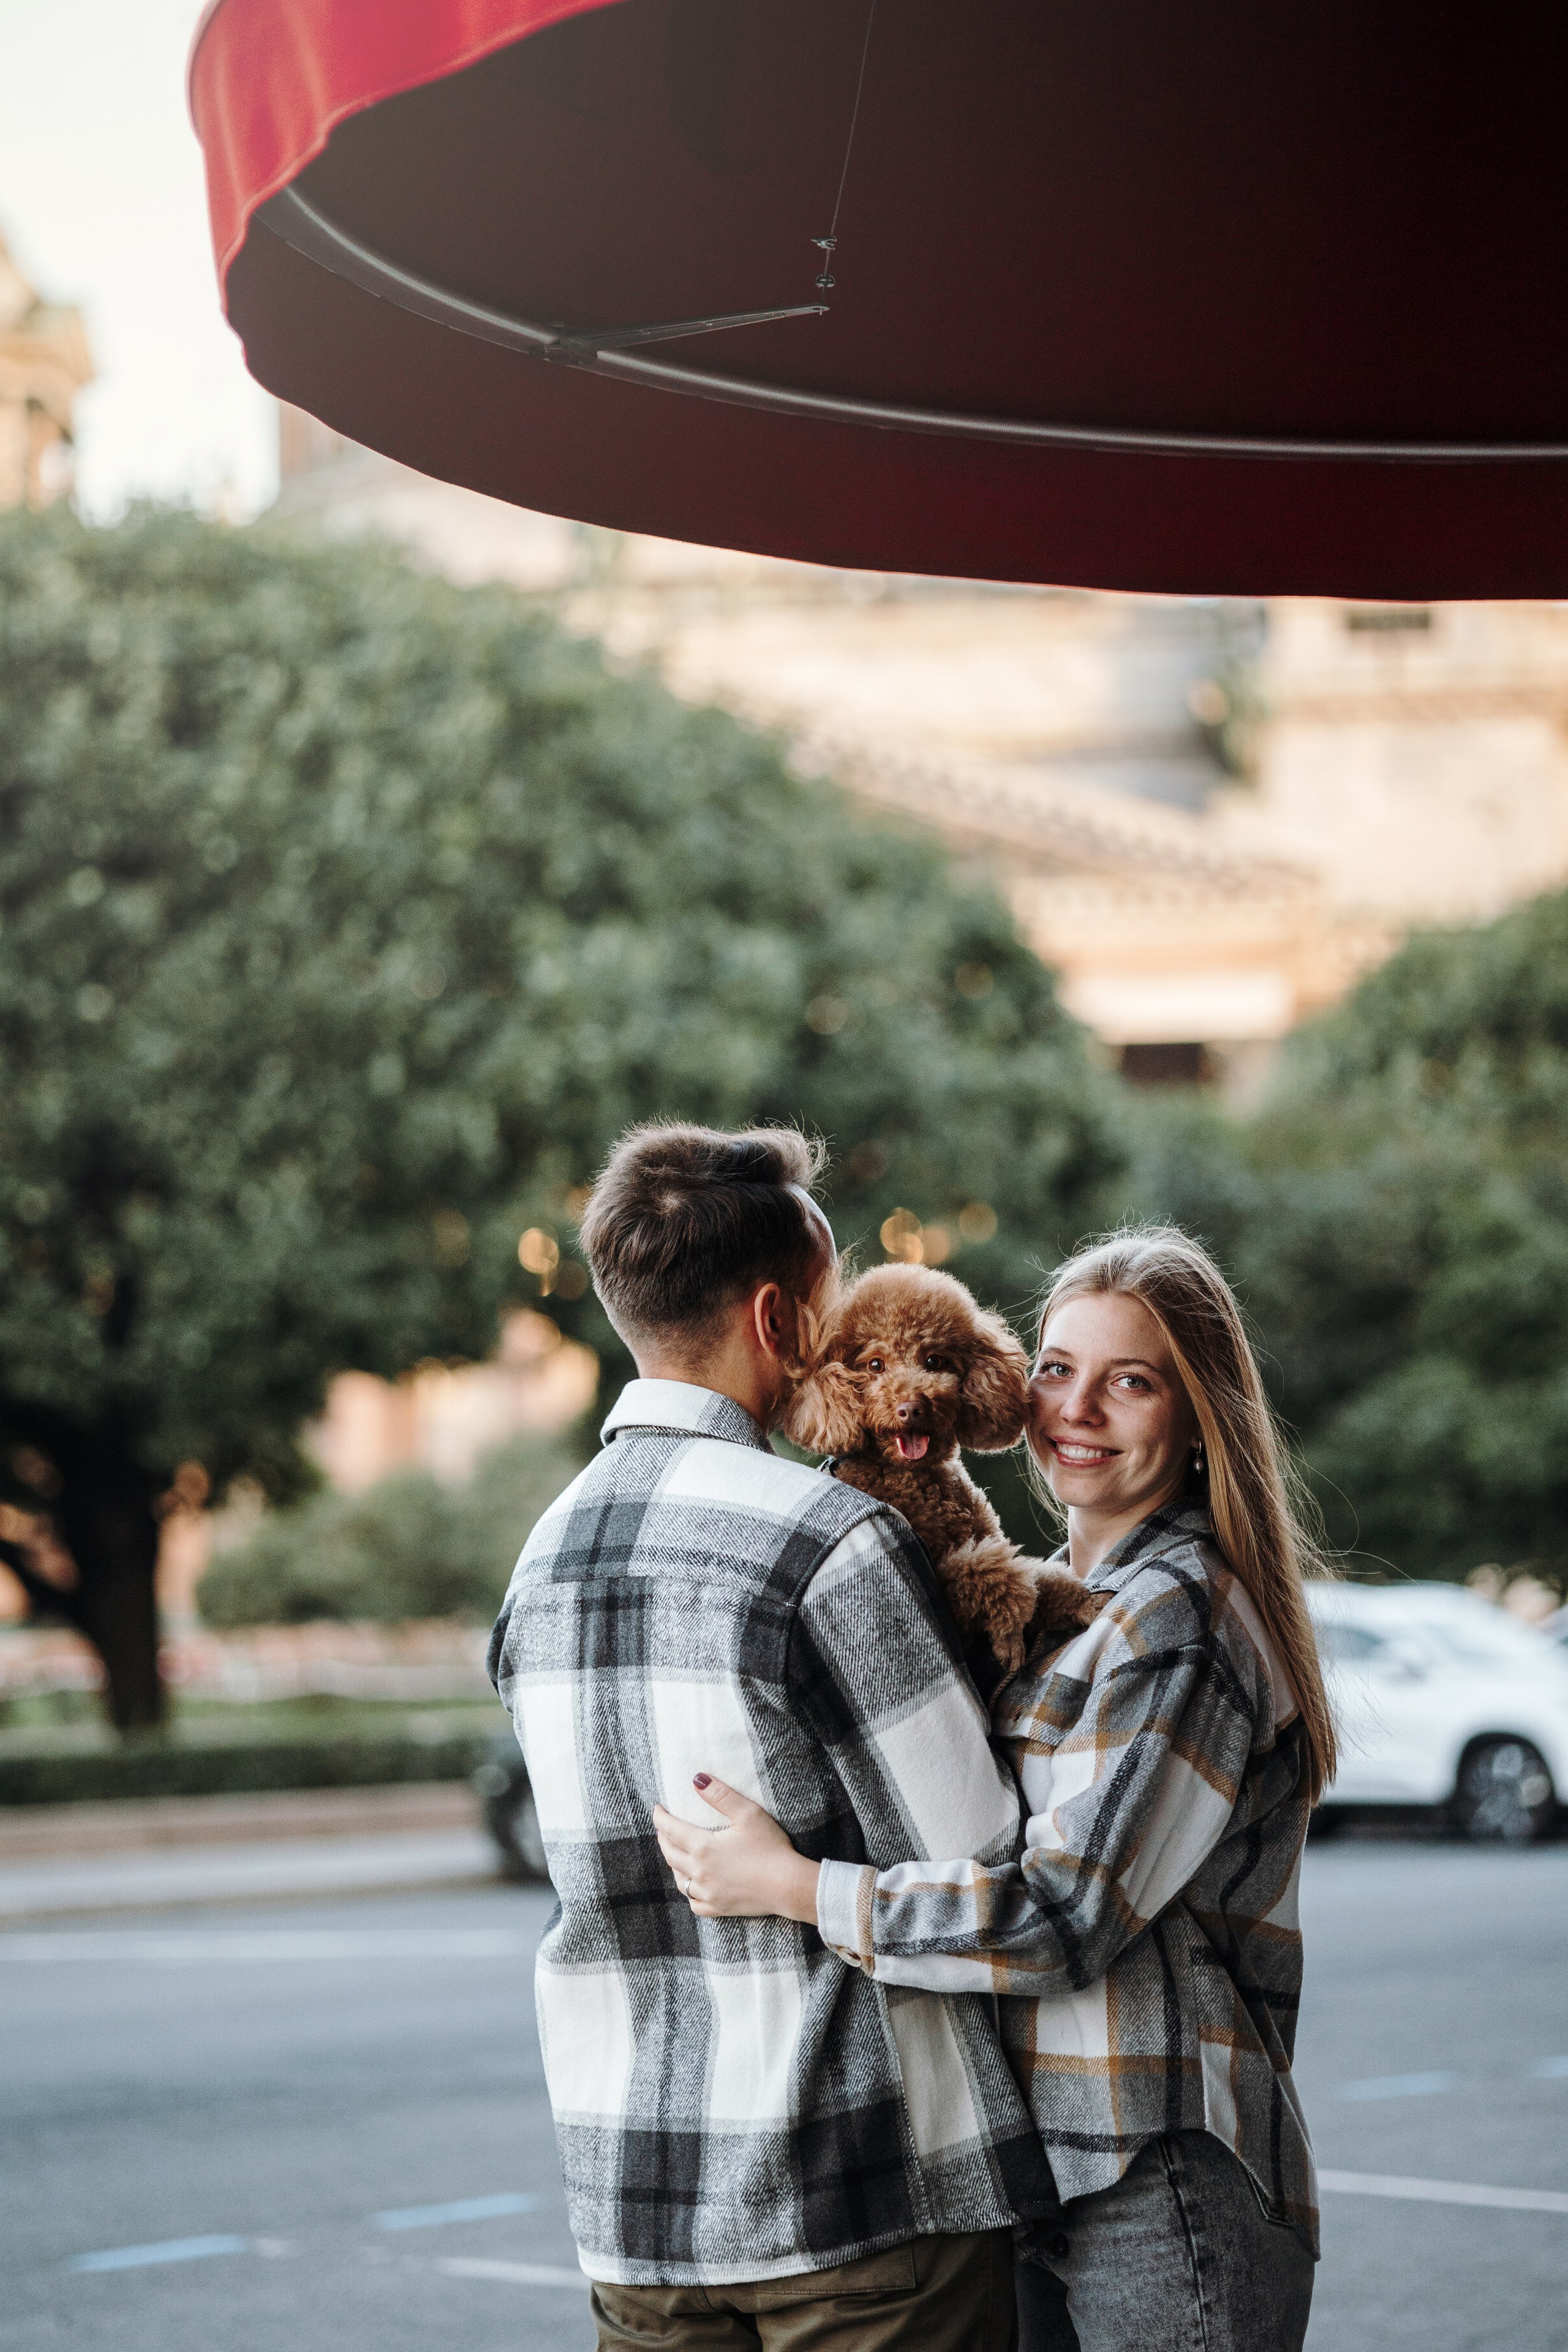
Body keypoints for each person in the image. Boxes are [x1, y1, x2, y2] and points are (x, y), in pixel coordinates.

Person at [656, 1224, 1335, 2352]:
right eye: (1060, 1370)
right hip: (1035, 2169)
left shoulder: (1178, 1619)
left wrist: (799, 1887)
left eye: (1131, 1383)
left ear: (1197, 1415)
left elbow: (1065, 1914)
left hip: (1154, 2174)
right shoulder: (1062, 1597)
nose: (1077, 1409)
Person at [487, 1122, 1053, 2350]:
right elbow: (983, 1872)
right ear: (780, 1321)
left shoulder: (539, 1564)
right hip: (864, 2207)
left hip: (635, 2212)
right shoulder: (824, 1542)